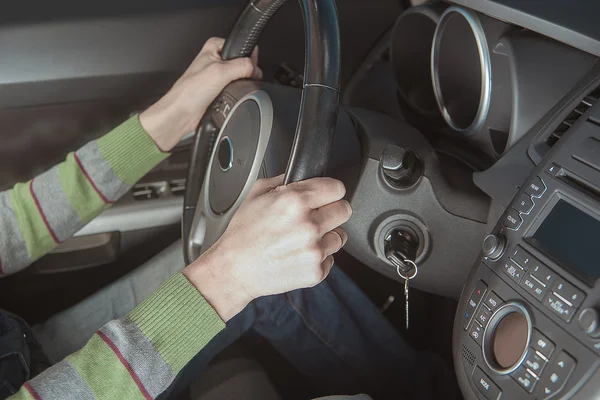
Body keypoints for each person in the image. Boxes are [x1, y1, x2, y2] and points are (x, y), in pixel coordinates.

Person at [0, 38, 457, 400]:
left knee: (274, 274)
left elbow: (11, 225)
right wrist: (230, 274)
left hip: (23, 350)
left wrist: (172, 114)